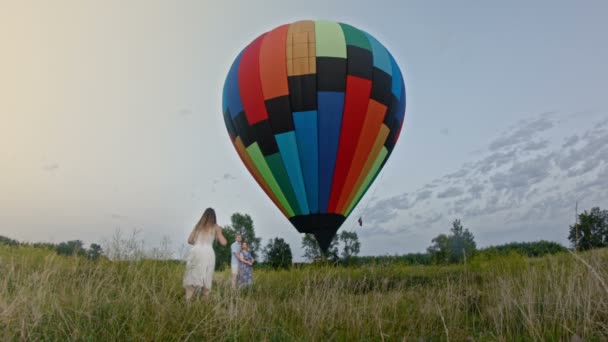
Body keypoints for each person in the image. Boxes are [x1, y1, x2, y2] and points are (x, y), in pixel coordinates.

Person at [183, 208, 226, 301]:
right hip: (208, 253)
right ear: (214, 217)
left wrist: (198, 243)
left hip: (195, 251)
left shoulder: (198, 226)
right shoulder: (215, 227)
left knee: (192, 277)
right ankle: (204, 305)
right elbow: (223, 242)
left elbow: (189, 240)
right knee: (206, 279)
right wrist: (219, 232)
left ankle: (187, 304)